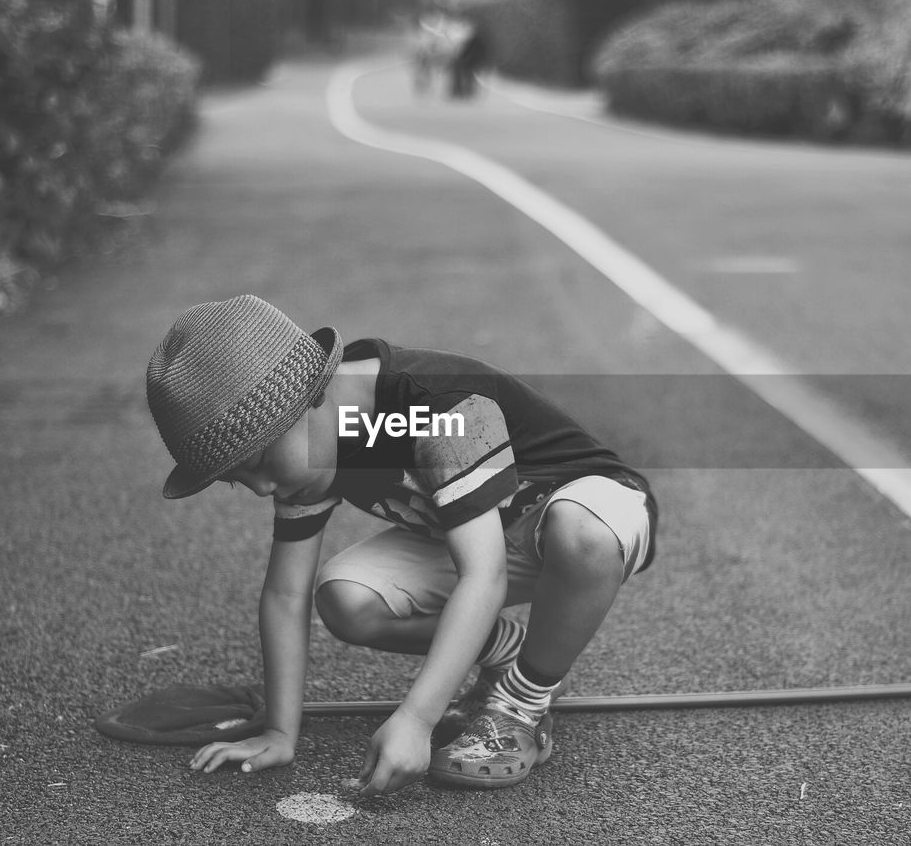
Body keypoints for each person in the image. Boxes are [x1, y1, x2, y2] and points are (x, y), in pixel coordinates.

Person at [145, 294, 657, 794]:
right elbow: (285, 595)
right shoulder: (313, 447)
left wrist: (416, 719)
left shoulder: (438, 407)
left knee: (582, 534)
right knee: (345, 598)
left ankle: (522, 705)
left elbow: (485, 575)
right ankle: (510, 651)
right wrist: (280, 732)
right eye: (239, 479)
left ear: (310, 399)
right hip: (481, 535)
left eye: (258, 463)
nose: (261, 488)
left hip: (586, 517)